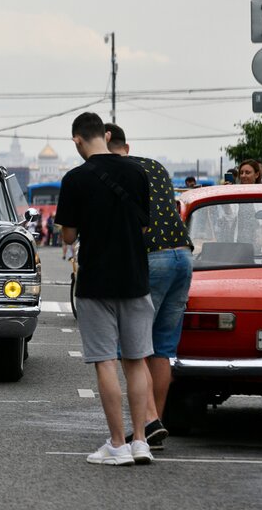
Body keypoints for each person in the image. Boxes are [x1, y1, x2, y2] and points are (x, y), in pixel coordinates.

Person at [55, 112, 154, 466]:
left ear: (77, 140)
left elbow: (67, 236)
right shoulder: (137, 172)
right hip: (135, 279)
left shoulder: (75, 179)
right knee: (136, 360)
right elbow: (143, 229)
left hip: (96, 281)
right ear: (106, 134)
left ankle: (117, 444)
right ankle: (141, 440)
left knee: (105, 363)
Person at [106, 123, 194, 451]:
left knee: (134, 343)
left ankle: (149, 421)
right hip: (182, 255)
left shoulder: (107, 171)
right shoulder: (155, 166)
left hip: (151, 256)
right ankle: (155, 424)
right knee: (162, 348)